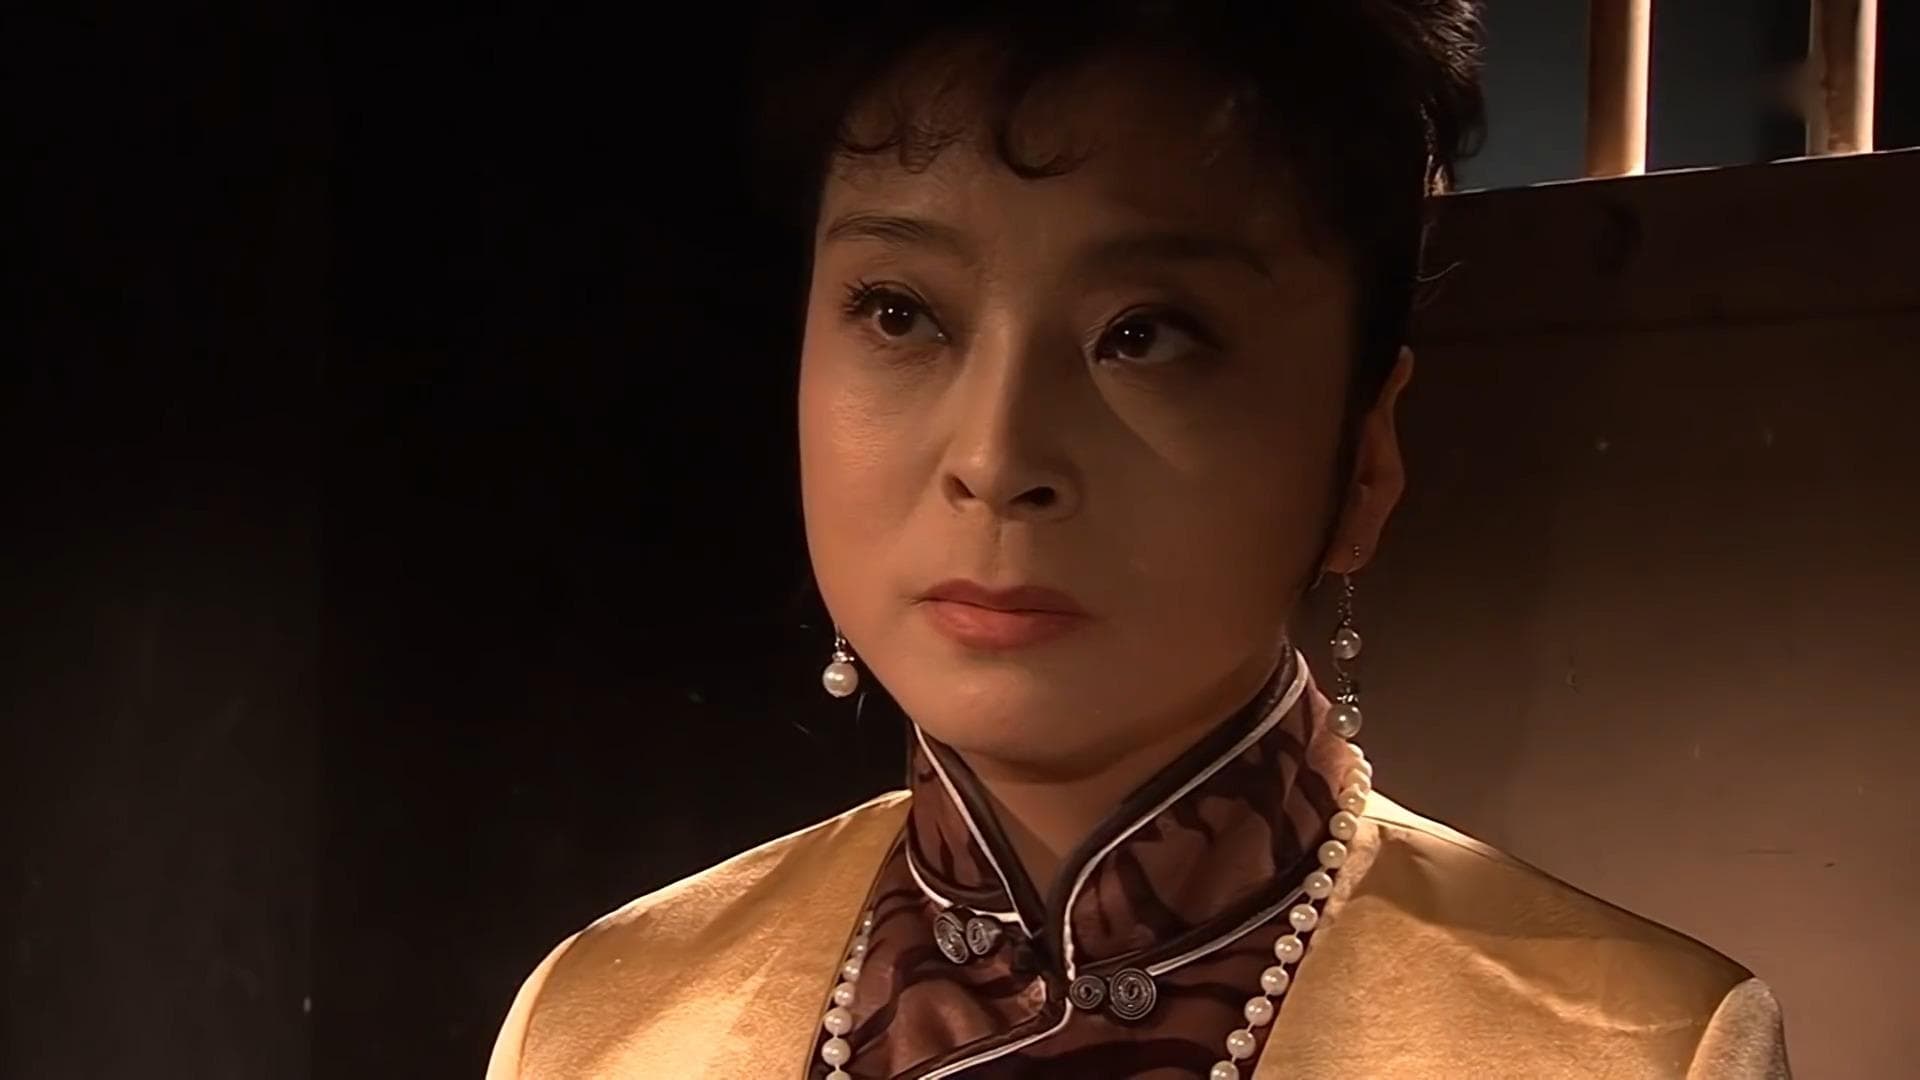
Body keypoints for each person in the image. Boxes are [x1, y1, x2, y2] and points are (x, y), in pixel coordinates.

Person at [488, 3, 1792, 1077]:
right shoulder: (609, 1021)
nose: (997, 457)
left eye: (1145, 334)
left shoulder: (1626, 1049)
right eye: (899, 312)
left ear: (1363, 454)